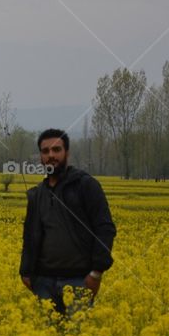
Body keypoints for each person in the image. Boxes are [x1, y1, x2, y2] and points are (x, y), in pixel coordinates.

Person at [20, 128, 116, 316]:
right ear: (40, 156)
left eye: (56, 150)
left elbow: (105, 229)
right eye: (45, 151)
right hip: (43, 283)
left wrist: (96, 273)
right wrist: (26, 271)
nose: (51, 156)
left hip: (79, 280)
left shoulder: (85, 185)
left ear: (67, 153)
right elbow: (30, 235)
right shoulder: (37, 193)